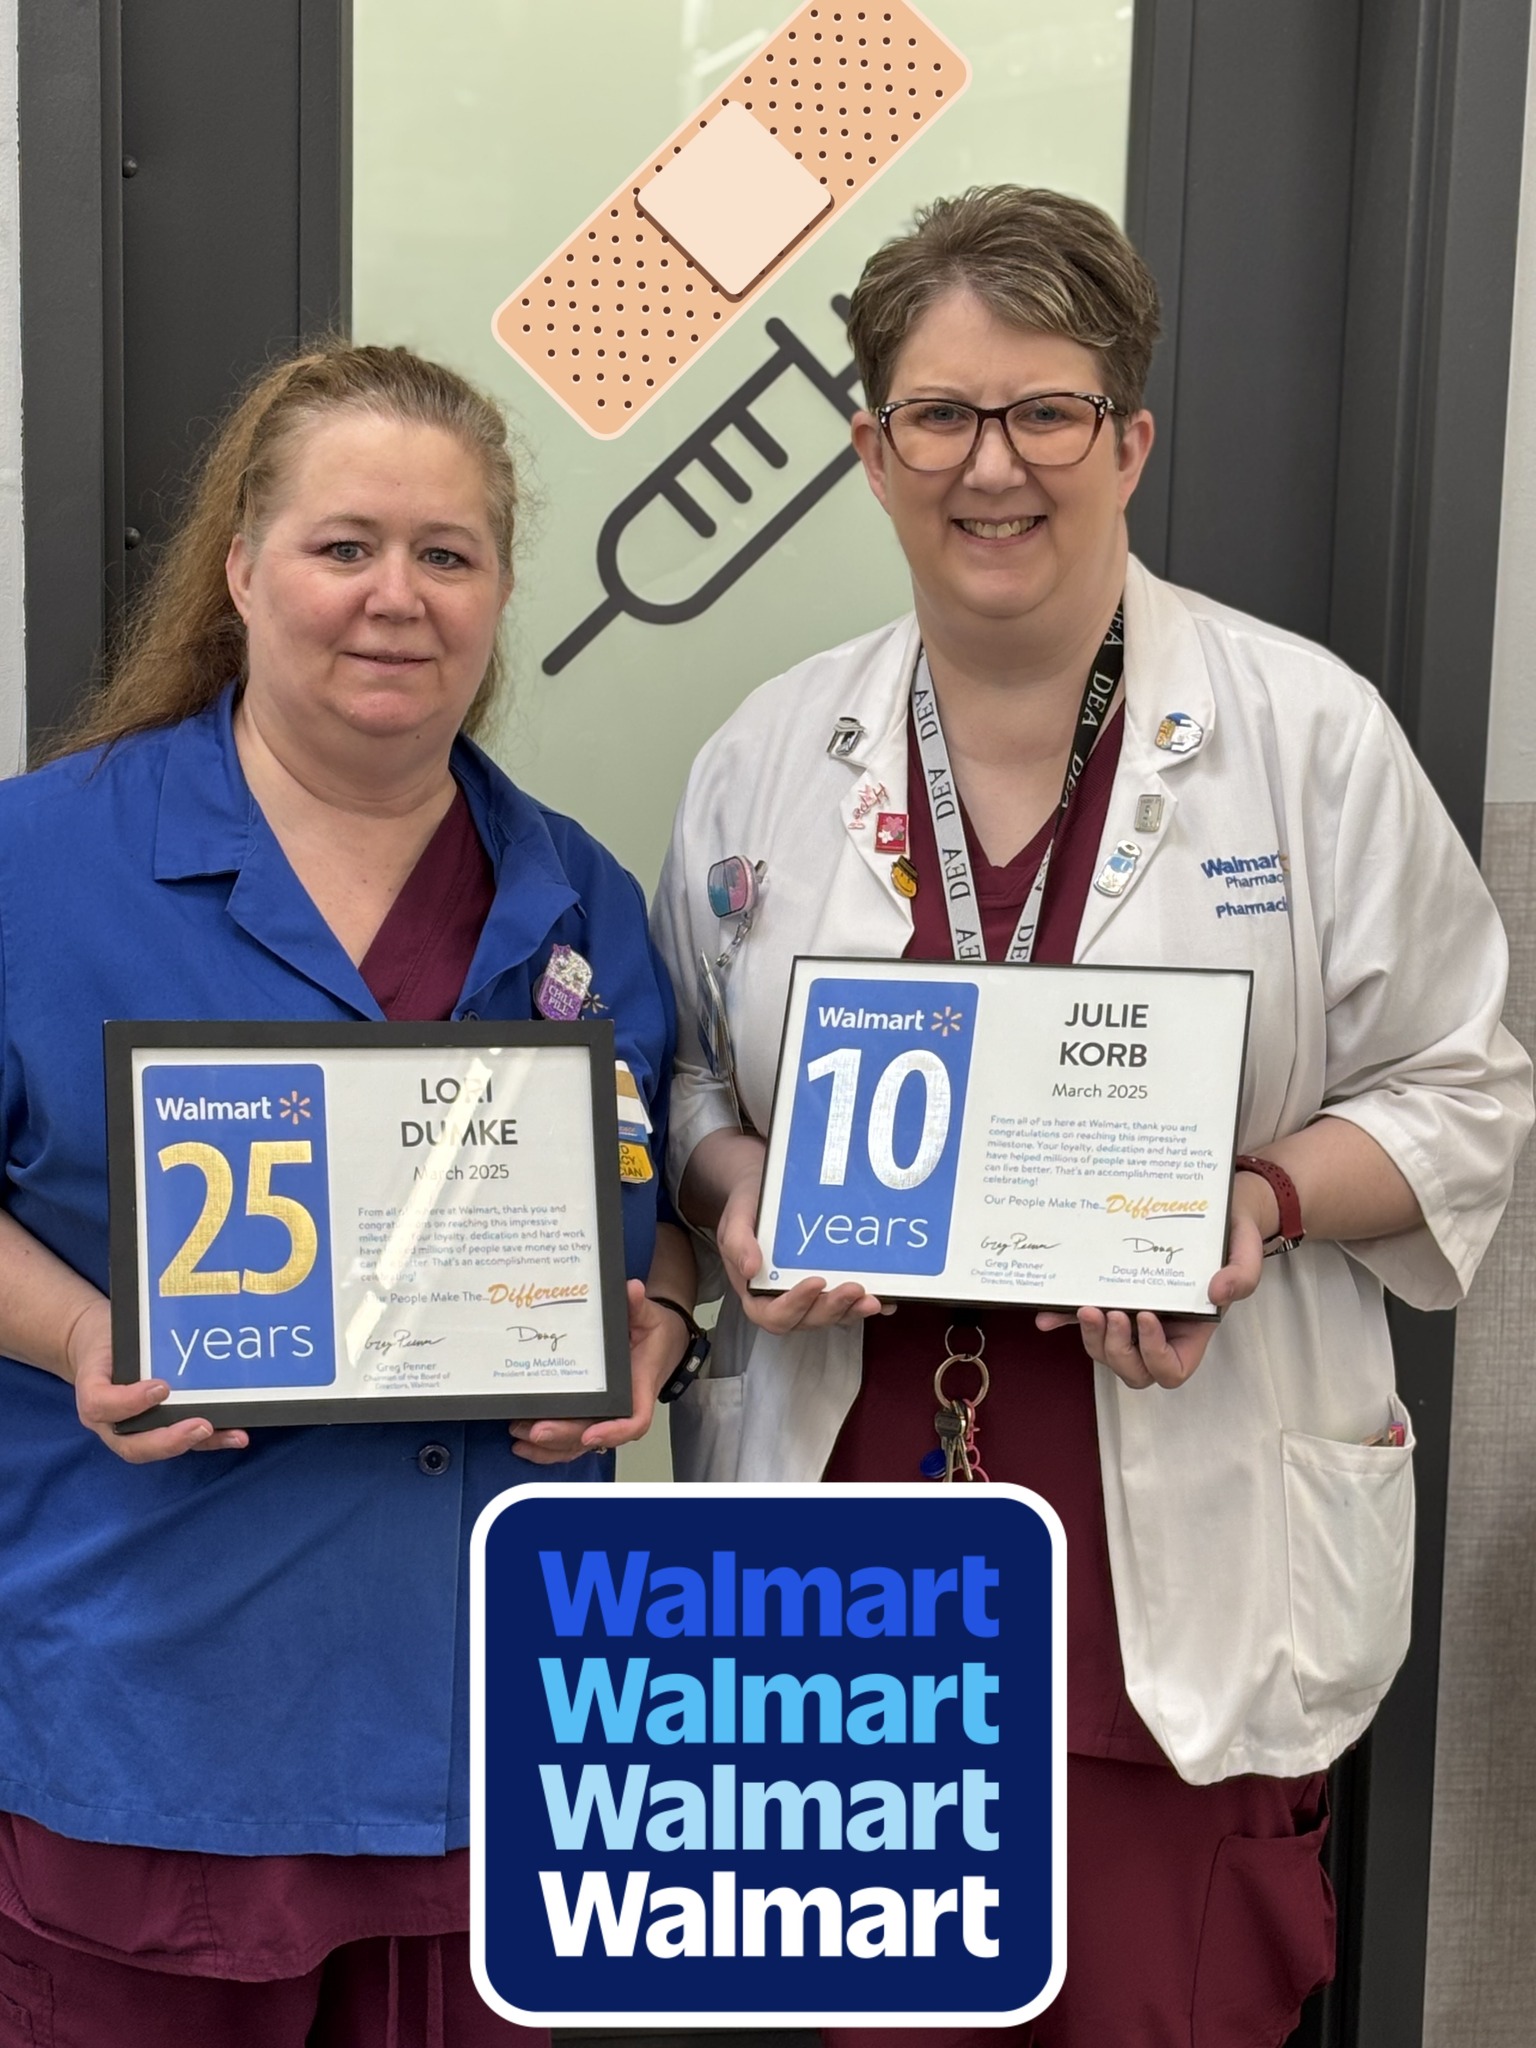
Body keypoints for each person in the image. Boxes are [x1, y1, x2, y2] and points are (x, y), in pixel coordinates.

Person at [652, 188, 1533, 2046]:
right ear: (871, 454)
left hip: (1167, 1585)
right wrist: (738, 1191)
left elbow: (1464, 1082)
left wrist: (1261, 1199)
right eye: (940, 417)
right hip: (843, 1565)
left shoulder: (1306, 733)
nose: (994, 467)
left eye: (1046, 412)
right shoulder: (766, 754)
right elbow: (703, 1078)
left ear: (1129, 441)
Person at [0, 342, 696, 2045]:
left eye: (448, 554)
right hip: (157, 1726)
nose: (398, 597)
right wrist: (85, 1329)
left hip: (515, 1742)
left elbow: (652, 1211)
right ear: (242, 569)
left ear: (499, 592)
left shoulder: (580, 898)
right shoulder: (35, 866)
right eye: (346, 546)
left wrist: (661, 1328)